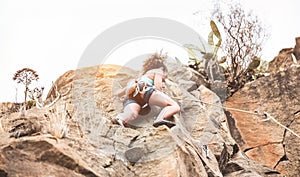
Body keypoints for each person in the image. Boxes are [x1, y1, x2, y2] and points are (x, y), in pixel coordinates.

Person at [114, 52, 180, 128]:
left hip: (131, 96)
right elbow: (158, 87)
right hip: (146, 90)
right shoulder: (158, 70)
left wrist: (117, 94)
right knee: (175, 106)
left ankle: (121, 118)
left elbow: (121, 92)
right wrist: (161, 98)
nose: (165, 79)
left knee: (132, 114)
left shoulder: (141, 77)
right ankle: (160, 118)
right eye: (165, 76)